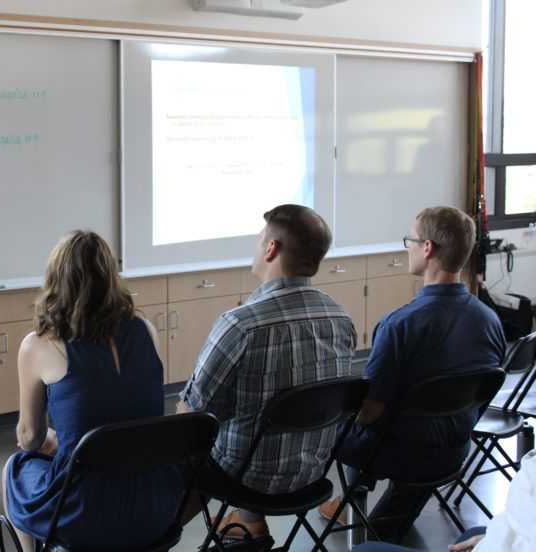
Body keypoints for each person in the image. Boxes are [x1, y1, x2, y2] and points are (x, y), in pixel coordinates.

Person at [319, 206, 506, 542]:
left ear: (428, 248)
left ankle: (351, 502)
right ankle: (363, 509)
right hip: (455, 450)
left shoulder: (399, 325)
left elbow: (367, 414)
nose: (408, 247)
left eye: (411, 240)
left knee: (340, 423)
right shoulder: (489, 320)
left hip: (403, 453)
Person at [176, 204, 358, 537]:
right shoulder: (340, 319)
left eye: (261, 239)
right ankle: (248, 523)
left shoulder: (240, 324)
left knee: (178, 448)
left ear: (271, 248)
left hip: (246, 478)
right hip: (313, 476)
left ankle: (161, 535)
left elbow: (193, 415)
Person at [2, 230, 184, 552]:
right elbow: (124, 413)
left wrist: (51, 440)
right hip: (155, 510)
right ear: (111, 276)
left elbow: (30, 437)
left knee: (14, 467)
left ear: (57, 280)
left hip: (84, 516)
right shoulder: (146, 331)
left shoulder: (40, 345)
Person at [351, 448, 536, 551]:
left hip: (412, 449)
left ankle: (350, 499)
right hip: (453, 450)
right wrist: (496, 534)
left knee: (365, 550)